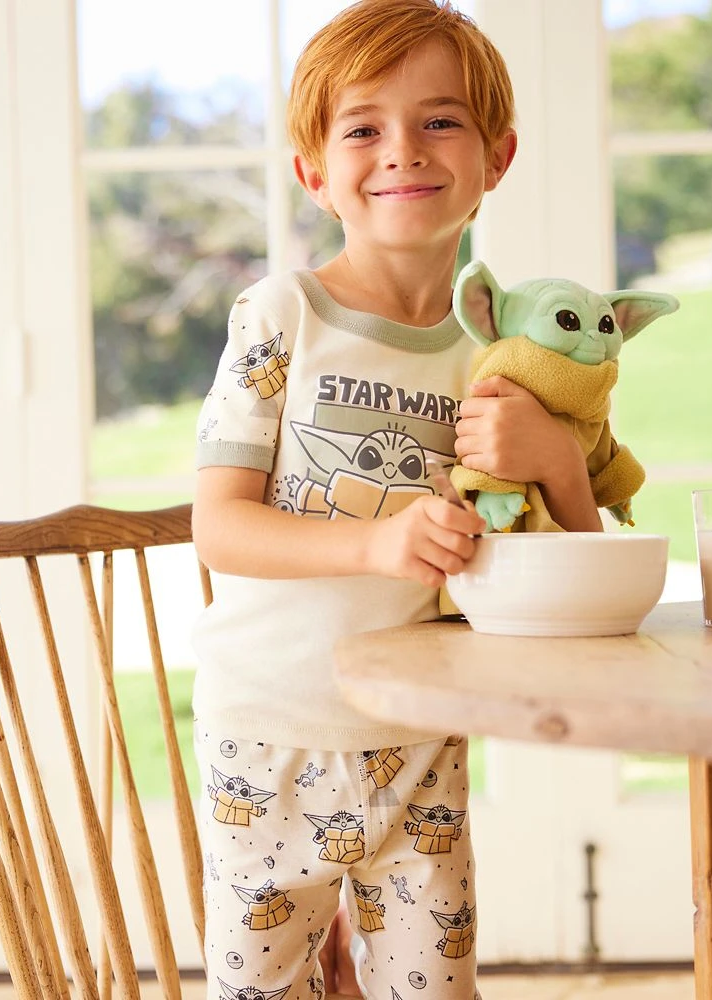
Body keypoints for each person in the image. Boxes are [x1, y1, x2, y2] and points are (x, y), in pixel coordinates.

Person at [191, 2, 601, 997]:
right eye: (362, 128)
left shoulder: (506, 358)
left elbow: (576, 560)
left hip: (422, 742)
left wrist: (558, 460)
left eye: (440, 120)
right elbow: (219, 527)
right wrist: (378, 544)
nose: (402, 150)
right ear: (313, 173)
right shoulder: (281, 314)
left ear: (497, 157)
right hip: (267, 737)